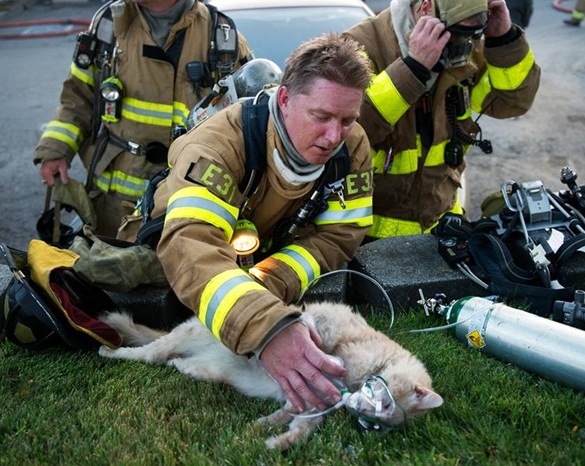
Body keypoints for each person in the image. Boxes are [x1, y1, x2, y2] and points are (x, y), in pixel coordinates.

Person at [148, 33, 374, 412]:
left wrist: (270, 280)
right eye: (321, 117)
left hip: (257, 255)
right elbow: (191, 246)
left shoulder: (352, 148)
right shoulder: (217, 145)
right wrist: (265, 325)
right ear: (284, 100)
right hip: (169, 242)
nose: (334, 136)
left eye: (347, 119)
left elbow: (340, 235)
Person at [34, 0, 253, 237]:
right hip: (111, 204)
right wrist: (56, 149)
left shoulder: (222, 39)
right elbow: (77, 97)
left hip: (185, 199)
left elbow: (247, 122)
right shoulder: (109, 25)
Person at [342, 0, 541, 240]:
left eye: (472, 34)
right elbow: (345, 134)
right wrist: (413, 68)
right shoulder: (360, 47)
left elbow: (512, 102)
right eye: (454, 34)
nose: (461, 47)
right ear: (426, 7)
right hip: (369, 236)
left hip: (444, 224)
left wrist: (503, 39)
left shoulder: (470, 46)